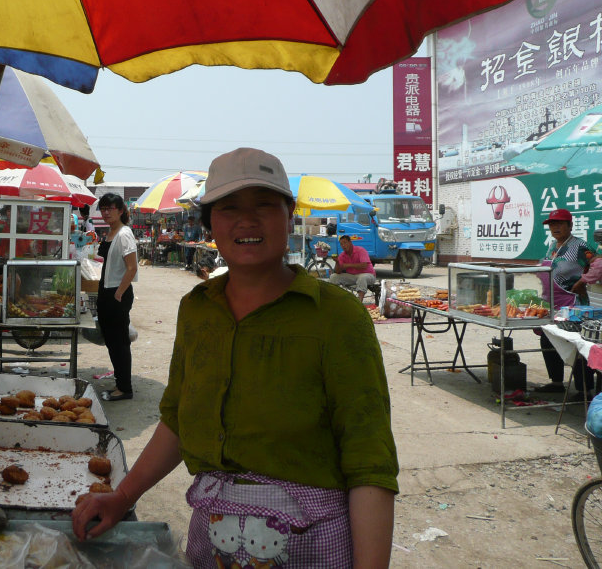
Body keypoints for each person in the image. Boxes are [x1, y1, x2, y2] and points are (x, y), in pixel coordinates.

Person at [72, 148, 398, 568]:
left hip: (312, 548)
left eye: (264, 204)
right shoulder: (197, 309)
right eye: (228, 208)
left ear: (289, 214)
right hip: (214, 542)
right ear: (209, 224)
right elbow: (177, 420)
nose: (247, 220)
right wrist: (122, 496)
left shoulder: (339, 317)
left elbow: (368, 460)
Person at [533, 208, 602, 395]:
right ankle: (557, 382)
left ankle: (585, 390)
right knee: (547, 339)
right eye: (552, 224)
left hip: (574, 304)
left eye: (559, 223)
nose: (555, 227)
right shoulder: (553, 246)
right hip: (554, 303)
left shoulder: (580, 247)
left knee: (576, 344)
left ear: (570, 225)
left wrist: (584, 281)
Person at [95, 193, 139, 401]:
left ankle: (124, 388)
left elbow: (132, 268)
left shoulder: (124, 234)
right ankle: (120, 383)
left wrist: (119, 293)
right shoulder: (111, 232)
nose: (105, 212)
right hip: (107, 290)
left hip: (116, 293)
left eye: (110, 208)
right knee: (112, 342)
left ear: (121, 210)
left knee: (119, 342)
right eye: (103, 209)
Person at [328, 234, 377, 302]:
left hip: (368, 275)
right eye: (341, 244)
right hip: (353, 276)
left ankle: (359, 303)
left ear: (350, 242)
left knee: (362, 278)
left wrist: (348, 265)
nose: (343, 246)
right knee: (334, 276)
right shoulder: (342, 255)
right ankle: (333, 300)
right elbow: (337, 272)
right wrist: (337, 262)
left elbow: (364, 265)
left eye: (345, 243)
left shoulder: (360, 250)